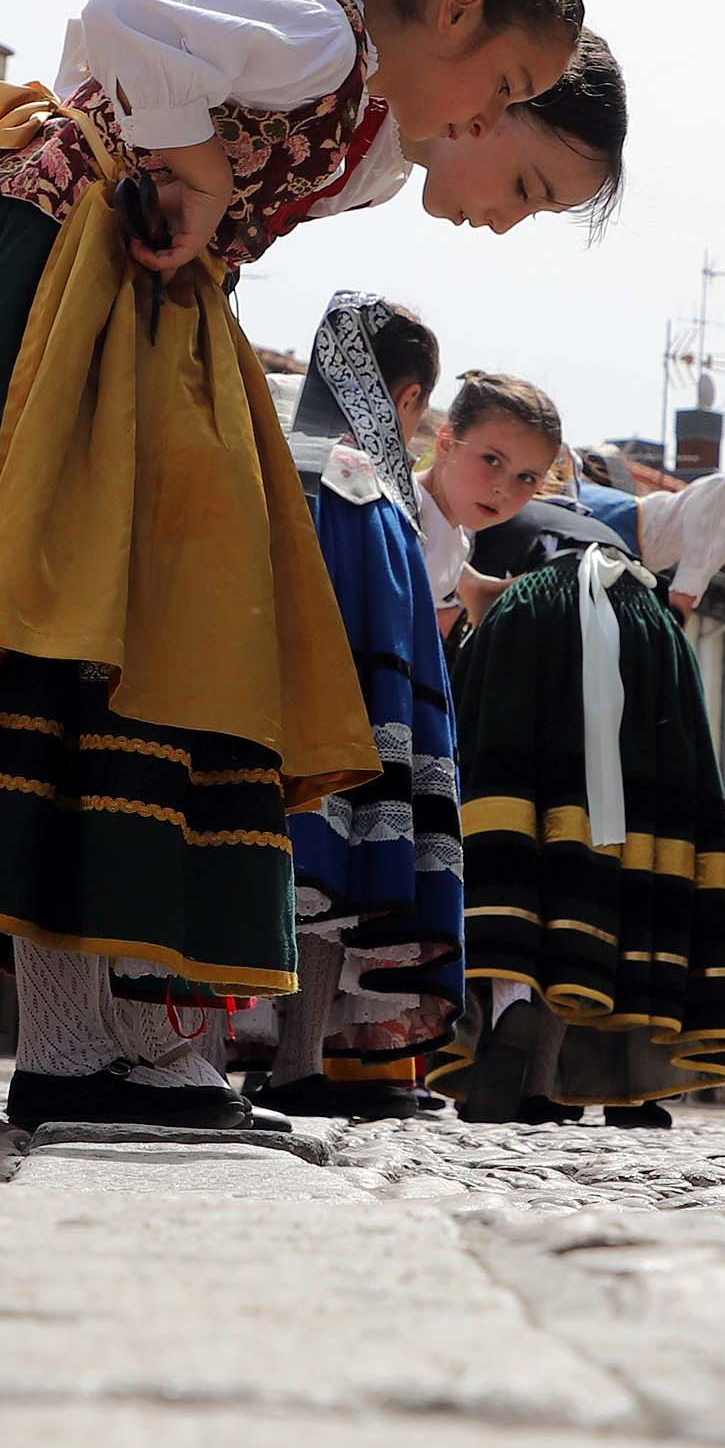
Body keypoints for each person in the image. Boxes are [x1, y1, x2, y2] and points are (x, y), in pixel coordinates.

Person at [0, 0, 591, 1133]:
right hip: (69, 298)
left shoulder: (361, 125)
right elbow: (115, 21)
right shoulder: (322, 34)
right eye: (504, 88)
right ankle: (80, 1044)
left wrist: (169, 175)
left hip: (130, 308)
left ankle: (127, 1041)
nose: (484, 120)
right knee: (84, 643)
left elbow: (119, 65)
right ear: (456, 9)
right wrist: (180, 165)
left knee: (156, 658)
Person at [430, 469, 725, 1125]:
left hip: (538, 608)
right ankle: (600, 1082)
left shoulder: (471, 503)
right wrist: (680, 600)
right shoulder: (624, 516)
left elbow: (459, 593)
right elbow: (722, 492)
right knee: (618, 851)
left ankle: (509, 1000)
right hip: (647, 629)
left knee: (515, 831)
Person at [263, 296, 462, 1118]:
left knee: (241, 847)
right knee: (327, 864)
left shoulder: (265, 431)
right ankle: (296, 1061)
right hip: (341, 700)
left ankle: (189, 1055)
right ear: (408, 399)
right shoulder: (368, 488)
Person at [418, 373, 567, 633]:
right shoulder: (387, 516)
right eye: (492, 460)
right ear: (446, 443)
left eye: (526, 477)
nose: (504, 489)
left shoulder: (453, 543)